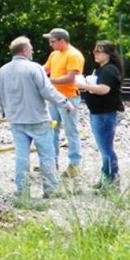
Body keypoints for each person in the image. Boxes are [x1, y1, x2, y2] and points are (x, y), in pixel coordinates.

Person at [0, 35, 72, 201]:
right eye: (30, 48)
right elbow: (47, 90)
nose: (32, 51)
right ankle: (50, 189)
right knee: (46, 155)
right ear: (24, 50)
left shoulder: (3, 70)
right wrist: (64, 102)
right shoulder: (34, 68)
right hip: (38, 119)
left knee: (21, 156)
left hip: (16, 120)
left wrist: (5, 111)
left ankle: (22, 191)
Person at [77, 40, 125, 190]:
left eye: (99, 51)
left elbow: (104, 89)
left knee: (106, 148)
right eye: (95, 51)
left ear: (108, 54)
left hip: (105, 113)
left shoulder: (109, 70)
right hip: (98, 112)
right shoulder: (101, 69)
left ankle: (112, 179)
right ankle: (106, 177)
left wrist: (84, 86)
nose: (95, 54)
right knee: (103, 147)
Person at [42, 27, 85, 177]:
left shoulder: (74, 55)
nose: (50, 44)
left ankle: (74, 165)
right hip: (53, 97)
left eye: (52, 41)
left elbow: (71, 78)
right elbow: (45, 69)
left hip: (69, 97)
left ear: (62, 41)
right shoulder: (54, 54)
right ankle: (51, 162)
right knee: (51, 129)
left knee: (70, 131)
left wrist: (48, 80)